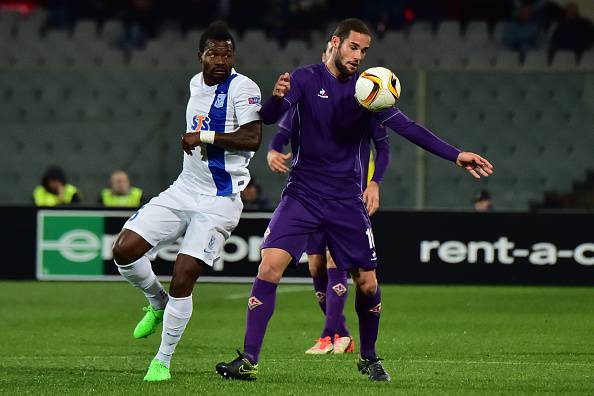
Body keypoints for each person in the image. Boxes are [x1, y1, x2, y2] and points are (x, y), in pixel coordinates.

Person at [216, 18, 493, 382]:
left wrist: (456, 155)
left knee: (367, 283)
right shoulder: (305, 78)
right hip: (302, 194)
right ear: (335, 43)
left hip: (346, 201)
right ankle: (248, 358)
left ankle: (368, 356)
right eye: (354, 47)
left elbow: (407, 128)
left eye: (364, 50)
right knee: (269, 267)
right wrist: (277, 98)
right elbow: (268, 118)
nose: (359, 56)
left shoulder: (369, 91)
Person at [111, 21, 263, 382]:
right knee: (124, 250)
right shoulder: (195, 84)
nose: (221, 60)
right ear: (201, 57)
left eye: (227, 53)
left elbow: (253, 137)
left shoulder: (243, 88)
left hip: (220, 199)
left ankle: (162, 360)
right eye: (213, 53)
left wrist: (203, 135)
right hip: (184, 189)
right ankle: (157, 302)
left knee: (184, 272)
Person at [266, 39, 391, 355]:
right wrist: (271, 152)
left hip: (349, 194)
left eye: (361, 52)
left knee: (341, 263)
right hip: (310, 195)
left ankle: (329, 335)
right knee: (316, 267)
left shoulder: (363, 97)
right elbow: (280, 131)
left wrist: (374, 183)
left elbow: (384, 146)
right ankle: (341, 334)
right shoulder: (307, 95)